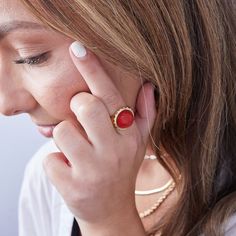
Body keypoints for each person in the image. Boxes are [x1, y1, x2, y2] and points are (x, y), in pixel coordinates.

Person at [0, 0, 235, 235]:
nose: (7, 105)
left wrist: (107, 220)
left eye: (31, 57)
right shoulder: (52, 173)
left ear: (148, 28)